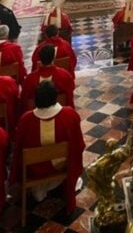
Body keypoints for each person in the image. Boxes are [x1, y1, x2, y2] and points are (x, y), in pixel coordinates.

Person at [11, 82, 84, 210]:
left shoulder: (26, 120)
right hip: (61, 165)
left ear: (36, 99)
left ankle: (39, 188)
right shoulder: (70, 115)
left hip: (35, 169)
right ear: (55, 97)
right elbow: (79, 145)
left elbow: (18, 150)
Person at [22, 44, 75, 113]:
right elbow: (70, 92)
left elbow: (24, 101)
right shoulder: (65, 75)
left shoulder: (29, 79)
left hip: (36, 116)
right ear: (54, 57)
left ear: (40, 59)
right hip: (61, 113)